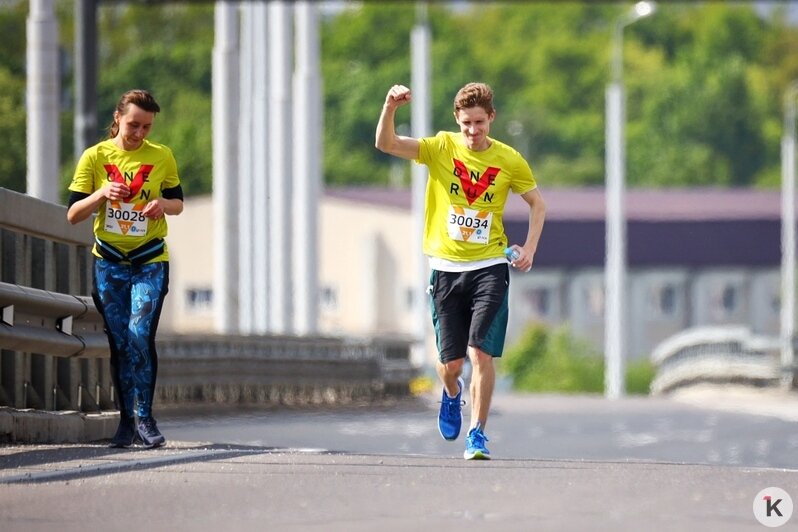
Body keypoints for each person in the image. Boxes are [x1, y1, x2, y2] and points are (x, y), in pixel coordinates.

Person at [375, 82, 546, 460]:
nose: (473, 131)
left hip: (489, 266)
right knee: (450, 365)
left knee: (481, 354)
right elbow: (387, 144)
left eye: (480, 123)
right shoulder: (440, 148)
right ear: (457, 120)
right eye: (467, 123)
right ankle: (452, 394)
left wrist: (529, 248)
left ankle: (478, 434)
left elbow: (538, 204)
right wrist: (390, 107)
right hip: (446, 268)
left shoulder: (508, 160)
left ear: (491, 119)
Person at [67, 89, 184, 448]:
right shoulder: (95, 157)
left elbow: (178, 203)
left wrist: (160, 204)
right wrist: (101, 194)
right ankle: (126, 421)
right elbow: (73, 214)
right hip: (110, 261)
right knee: (119, 343)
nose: (139, 133)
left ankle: (146, 418)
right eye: (134, 125)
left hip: (149, 258)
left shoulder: (161, 156)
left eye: (147, 127)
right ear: (118, 119)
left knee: (140, 335)